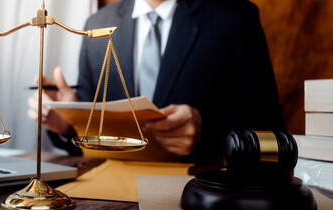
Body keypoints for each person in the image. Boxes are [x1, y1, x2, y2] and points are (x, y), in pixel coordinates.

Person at [28, 0, 284, 161]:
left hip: (196, 197)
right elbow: (90, 147)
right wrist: (70, 123)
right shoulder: (97, 24)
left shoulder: (236, 18)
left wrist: (206, 133)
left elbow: (273, 136)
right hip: (109, 200)